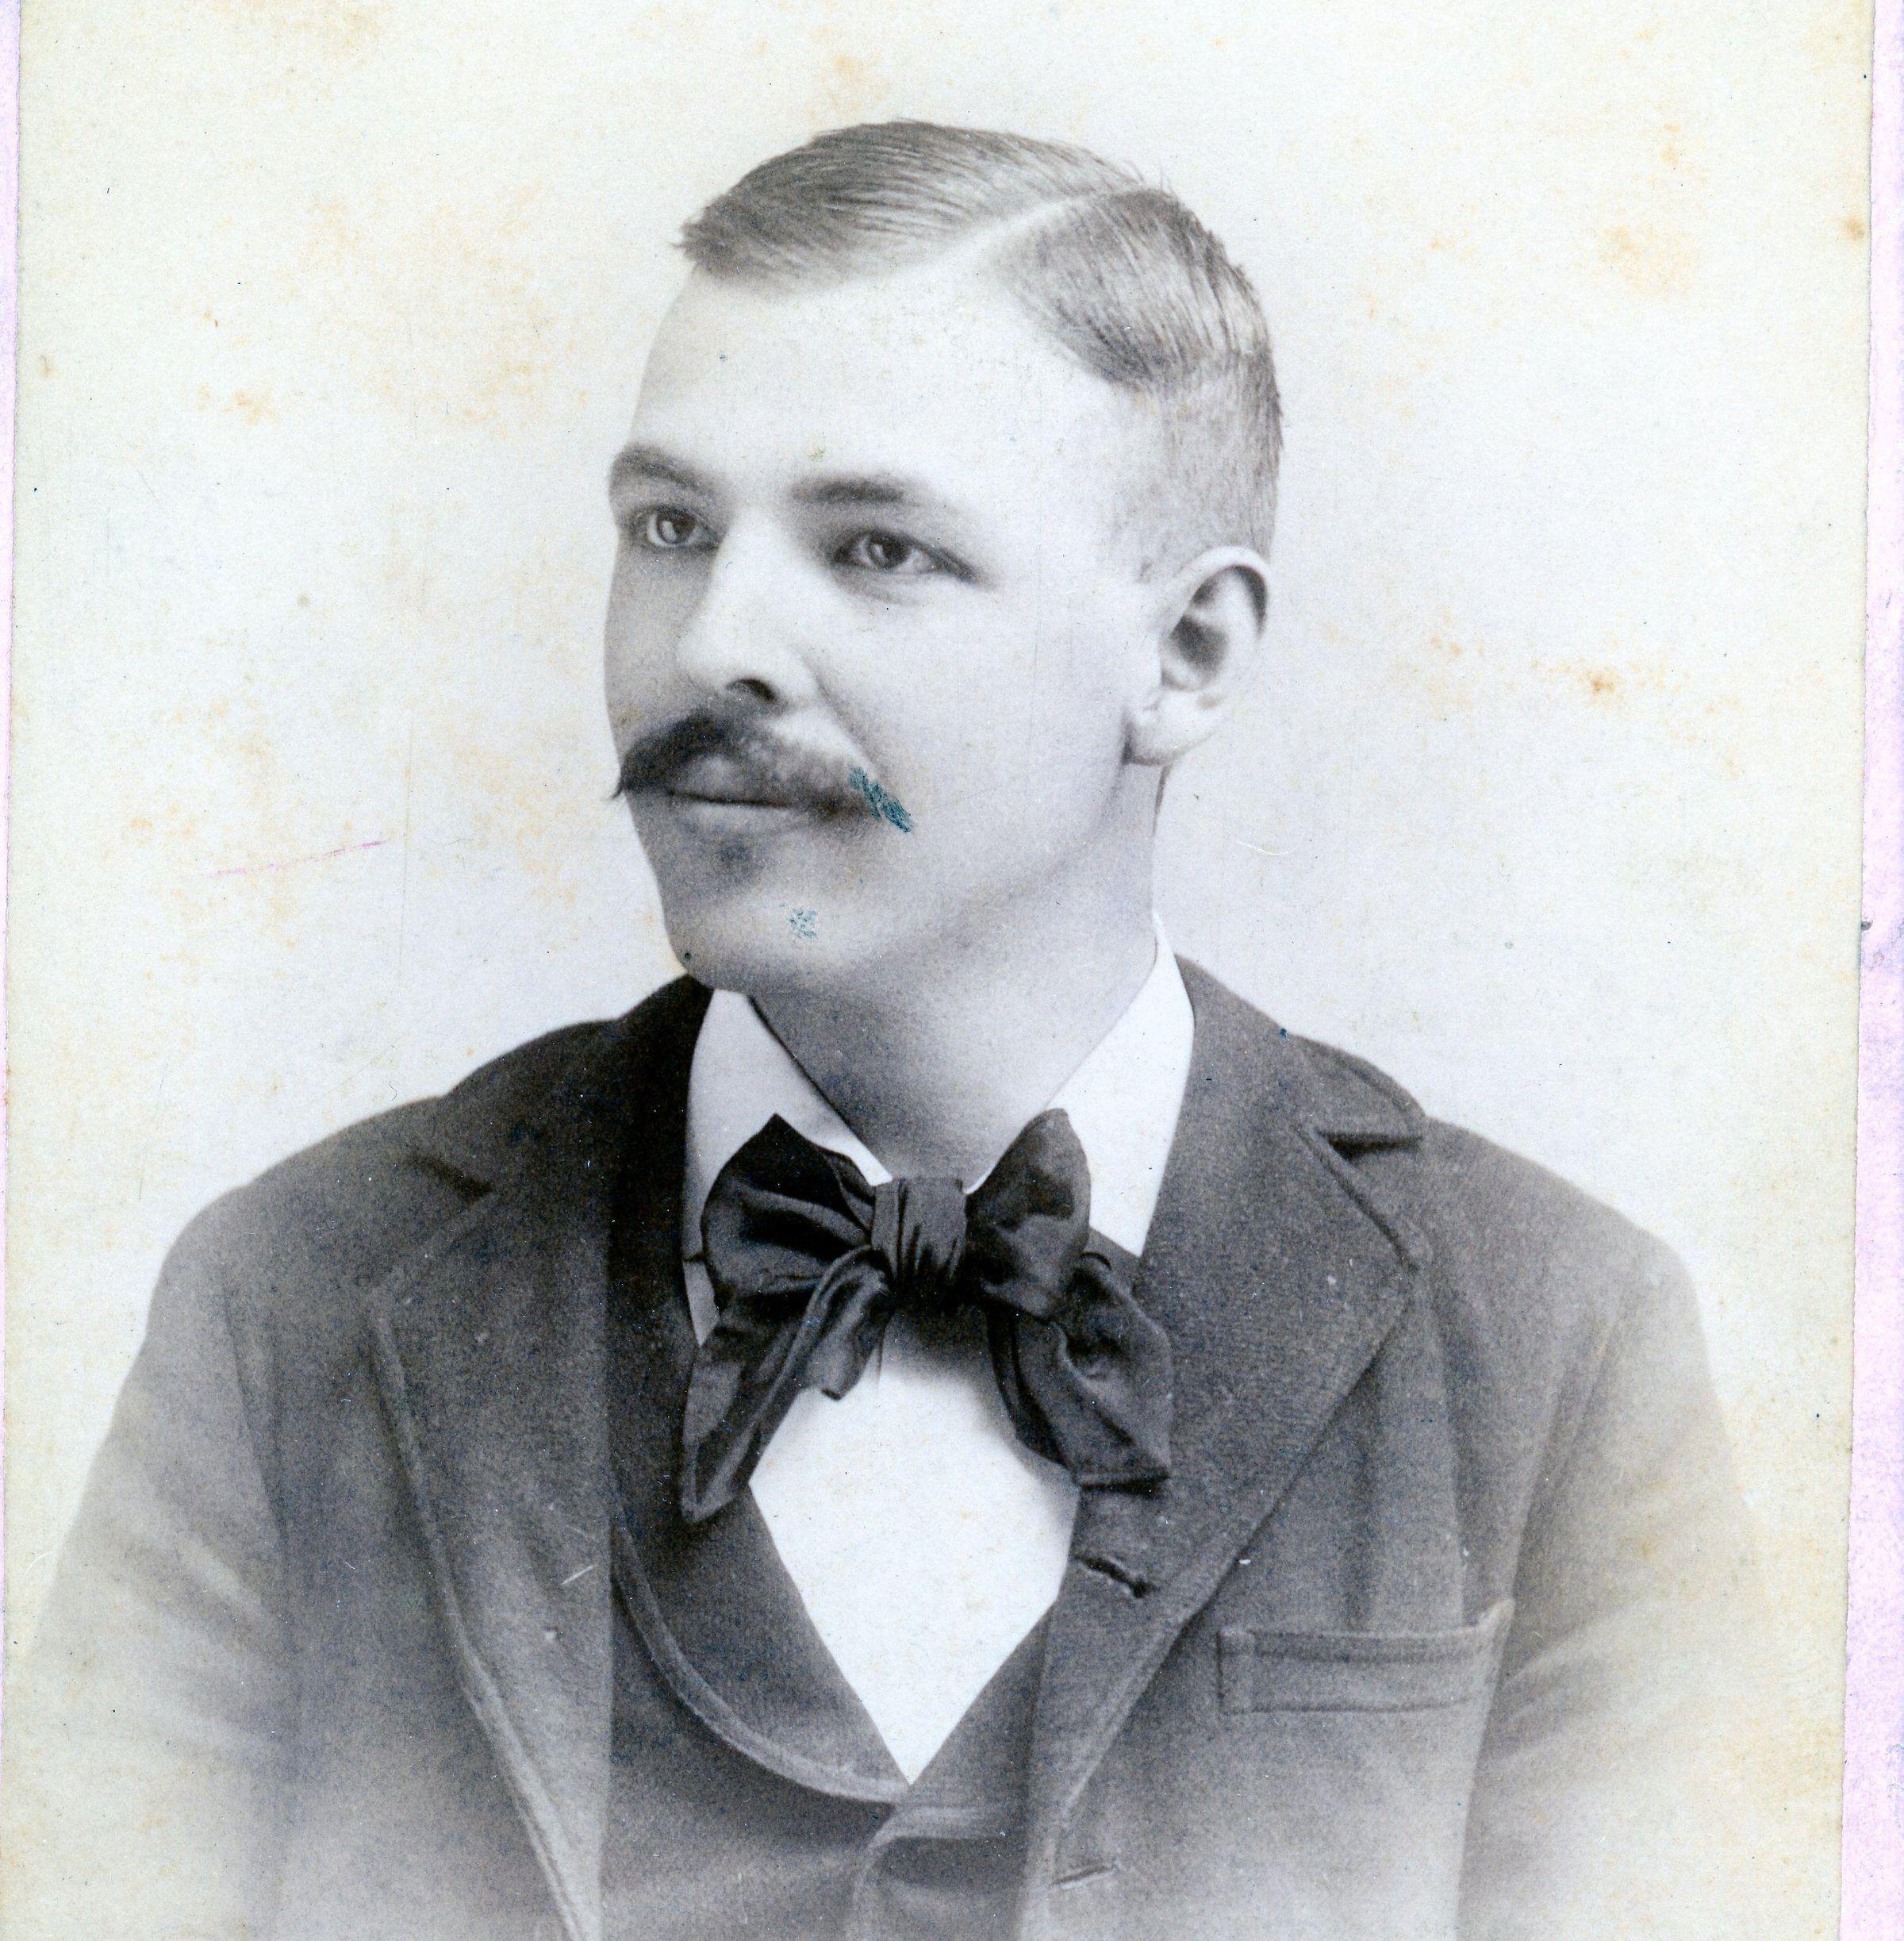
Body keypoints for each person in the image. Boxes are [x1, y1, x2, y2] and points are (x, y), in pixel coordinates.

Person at [6, 123, 1768, 1941]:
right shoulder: (292, 1300)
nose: (714, 644)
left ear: (1186, 656)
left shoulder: (1553, 1341)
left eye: (878, 547)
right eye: (671, 528)